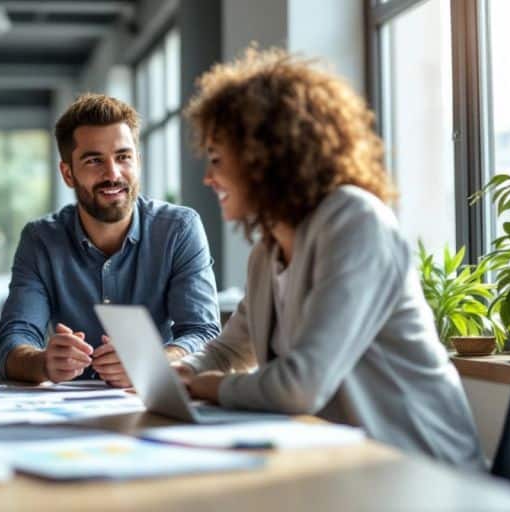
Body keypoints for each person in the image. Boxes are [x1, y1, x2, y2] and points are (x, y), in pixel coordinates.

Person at [177, 48, 483, 466]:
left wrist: (209, 387)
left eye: (216, 157)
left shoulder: (356, 221)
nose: (208, 177)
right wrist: (183, 372)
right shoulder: (267, 251)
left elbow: (301, 385)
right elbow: (230, 352)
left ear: (267, 153)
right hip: (341, 463)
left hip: (420, 467)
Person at [0, 93, 221, 387]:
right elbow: (13, 342)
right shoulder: (41, 239)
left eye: (123, 157)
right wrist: (42, 362)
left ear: (137, 161)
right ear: (68, 174)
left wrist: (151, 363)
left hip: (150, 403)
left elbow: (204, 334)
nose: (112, 174)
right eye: (93, 160)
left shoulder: (178, 229)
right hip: (69, 412)